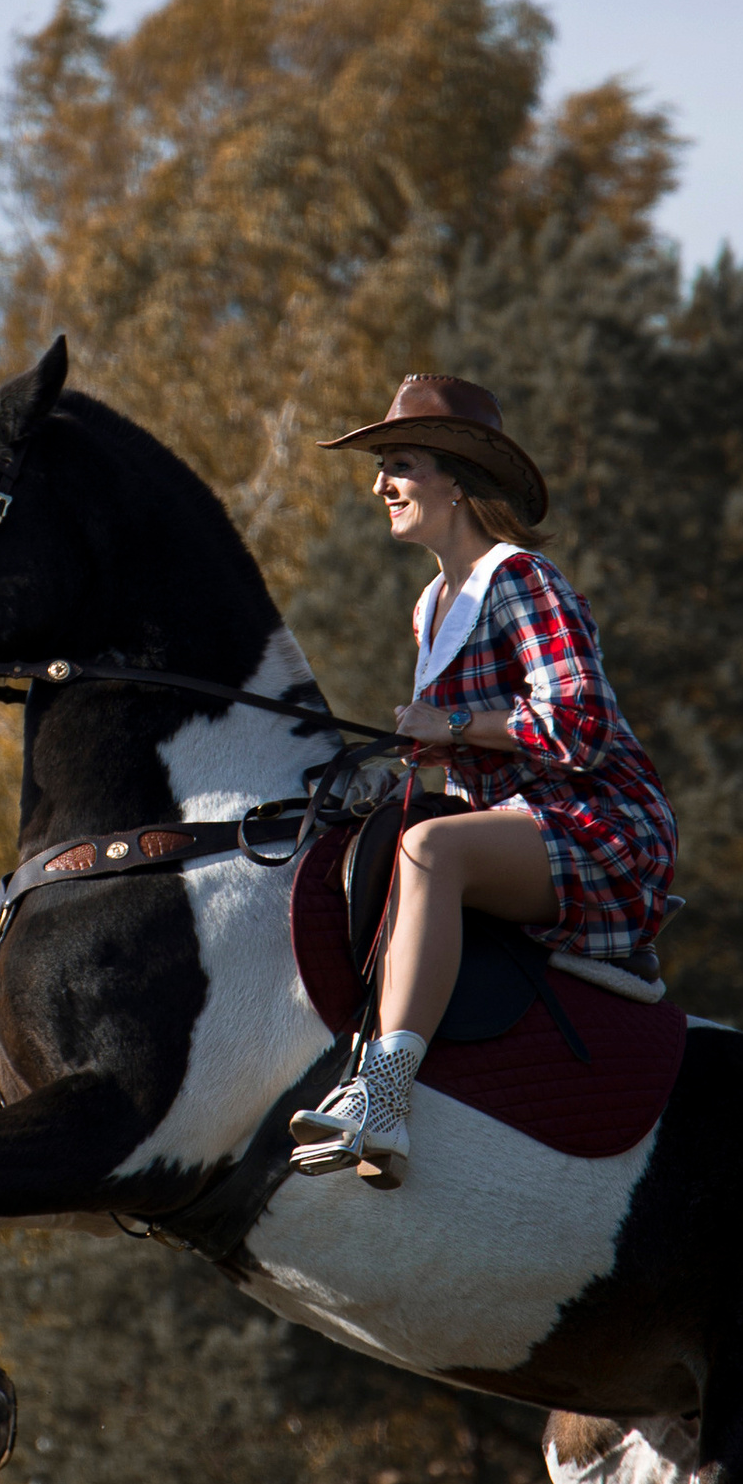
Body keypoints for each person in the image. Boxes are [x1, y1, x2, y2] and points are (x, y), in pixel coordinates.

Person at [286, 372, 676, 1187]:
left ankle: (385, 1098)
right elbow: (482, 754)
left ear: (457, 482)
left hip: (602, 825)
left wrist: (454, 729)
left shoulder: (521, 578)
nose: (379, 484)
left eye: (400, 464)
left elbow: (581, 724)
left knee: (430, 854)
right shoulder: (432, 605)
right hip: (523, 824)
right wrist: (430, 752)